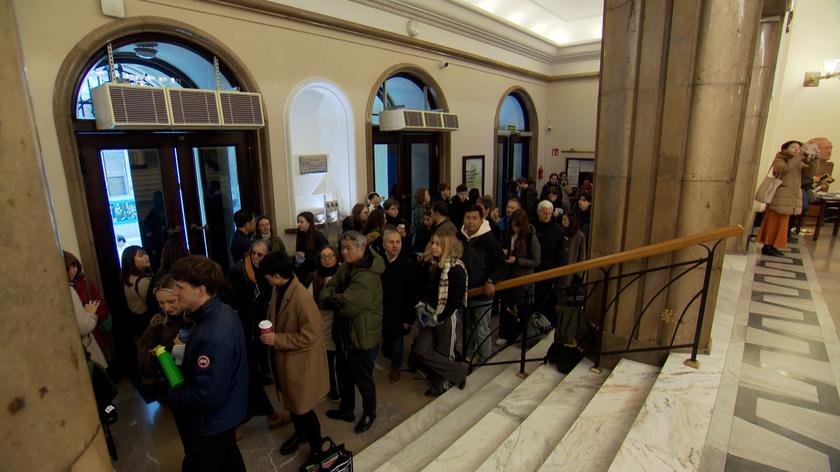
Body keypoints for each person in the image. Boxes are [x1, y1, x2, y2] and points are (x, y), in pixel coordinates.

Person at [166, 256, 248, 472]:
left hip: (211, 423)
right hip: (223, 417)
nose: (174, 293)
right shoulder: (220, 311)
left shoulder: (214, 334)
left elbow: (207, 394)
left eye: (180, 287)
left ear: (201, 290)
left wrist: (171, 394)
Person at [259, 252, 329, 462]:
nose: (265, 279)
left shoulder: (302, 298)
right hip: (285, 362)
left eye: (267, 275)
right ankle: (300, 434)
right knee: (292, 404)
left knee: (303, 408)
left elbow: (310, 335)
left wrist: (277, 339)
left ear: (276, 275)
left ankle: (317, 447)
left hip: (299, 364)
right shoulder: (278, 288)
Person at [320, 231, 384, 434]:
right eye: (342, 248)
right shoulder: (347, 266)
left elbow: (347, 307)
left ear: (362, 248)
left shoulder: (368, 275)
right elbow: (327, 288)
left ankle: (369, 413)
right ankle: (346, 409)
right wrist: (331, 298)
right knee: (344, 374)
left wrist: (333, 299)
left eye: (348, 248)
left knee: (363, 379)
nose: (344, 252)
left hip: (361, 335)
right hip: (344, 333)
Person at [228, 240, 289, 431]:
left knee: (254, 366)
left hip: (261, 320)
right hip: (247, 323)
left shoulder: (267, 269)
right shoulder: (239, 270)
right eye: (253, 253)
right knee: (249, 370)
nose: (255, 256)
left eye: (259, 254)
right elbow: (233, 298)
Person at [409, 232, 469, 396]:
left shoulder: (456, 268)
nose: (433, 247)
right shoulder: (438, 264)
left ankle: (441, 385)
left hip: (445, 317)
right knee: (421, 349)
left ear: (447, 246)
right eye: (433, 243)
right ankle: (460, 371)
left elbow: (455, 301)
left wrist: (439, 318)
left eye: (438, 244)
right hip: (431, 314)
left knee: (444, 351)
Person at [459, 205, 505, 363]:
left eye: (474, 218)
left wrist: (491, 280)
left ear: (481, 219)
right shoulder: (460, 237)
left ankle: (485, 360)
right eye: (468, 218)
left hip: (482, 293)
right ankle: (468, 356)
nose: (470, 222)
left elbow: (501, 264)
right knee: (466, 328)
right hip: (465, 293)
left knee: (482, 328)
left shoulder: (489, 240)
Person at [757, 140, 816, 256]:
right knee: (774, 222)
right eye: (793, 148)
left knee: (782, 224)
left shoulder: (798, 161)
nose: (797, 150)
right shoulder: (780, 159)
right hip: (780, 196)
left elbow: (810, 172)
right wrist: (799, 156)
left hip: (790, 198)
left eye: (798, 148)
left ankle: (773, 245)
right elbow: (784, 169)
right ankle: (767, 246)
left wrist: (814, 159)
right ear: (784, 149)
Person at [380, 227, 421, 382]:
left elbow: (412, 293)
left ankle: (396, 366)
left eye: (398, 242)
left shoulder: (407, 264)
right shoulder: (379, 263)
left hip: (399, 311)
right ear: (384, 245)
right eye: (391, 242)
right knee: (386, 337)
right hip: (383, 309)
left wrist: (408, 318)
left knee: (397, 342)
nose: (395, 245)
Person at [137, 275, 191, 385]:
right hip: (169, 386)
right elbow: (143, 369)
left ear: (184, 296)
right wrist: (156, 357)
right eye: (161, 303)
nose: (166, 308)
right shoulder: (157, 325)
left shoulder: (197, 321)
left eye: (171, 301)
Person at [498, 209, 540, 345]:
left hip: (522, 280)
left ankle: (520, 337)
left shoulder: (531, 237)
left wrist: (517, 261)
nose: (514, 228)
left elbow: (536, 261)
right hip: (507, 276)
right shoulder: (507, 234)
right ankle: (505, 335)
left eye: (517, 226)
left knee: (521, 310)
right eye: (513, 225)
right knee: (506, 307)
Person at [308, 246, 341, 401]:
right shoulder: (315, 278)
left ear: (336, 257)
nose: (327, 259)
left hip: (342, 324)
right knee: (327, 361)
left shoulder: (344, 274)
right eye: (324, 256)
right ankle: (332, 389)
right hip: (324, 325)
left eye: (331, 256)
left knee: (342, 361)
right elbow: (308, 304)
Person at [65, 251, 111, 360]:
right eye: (68, 268)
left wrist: (90, 313)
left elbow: (102, 308)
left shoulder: (86, 285)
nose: (72, 271)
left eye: (74, 266)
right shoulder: (64, 290)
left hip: (93, 335)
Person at [534, 201, 566, 321]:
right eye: (544, 213)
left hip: (549, 272)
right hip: (533, 271)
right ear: (538, 212)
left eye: (549, 213)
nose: (547, 215)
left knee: (548, 306)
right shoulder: (531, 227)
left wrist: (558, 275)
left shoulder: (558, 231)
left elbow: (561, 254)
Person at [121, 245, 154, 335]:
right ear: (131, 261)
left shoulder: (128, 277)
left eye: (145, 254)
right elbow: (153, 303)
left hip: (136, 323)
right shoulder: (142, 281)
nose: (146, 256)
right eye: (141, 255)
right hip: (146, 323)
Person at [294, 211, 329, 285]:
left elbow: (323, 255)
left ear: (309, 223)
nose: (299, 224)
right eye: (298, 222)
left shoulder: (318, 235)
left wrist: (305, 256)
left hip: (315, 267)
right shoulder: (301, 235)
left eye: (301, 222)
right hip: (304, 266)